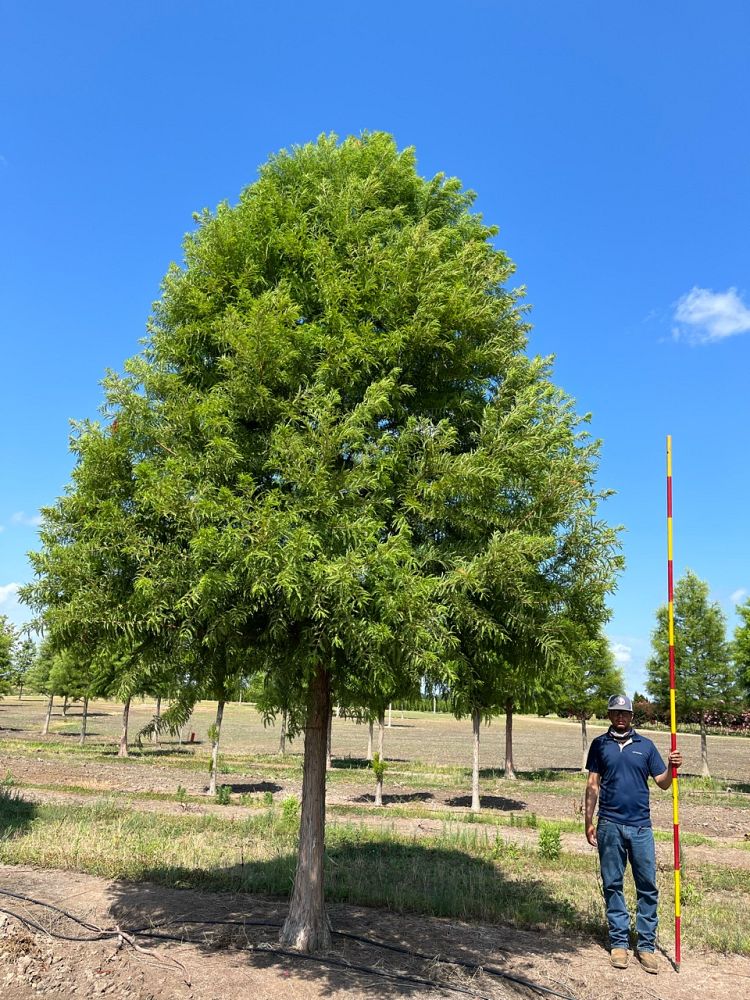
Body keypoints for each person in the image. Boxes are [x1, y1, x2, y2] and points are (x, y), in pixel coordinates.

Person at [584, 694, 682, 975]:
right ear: (609, 715)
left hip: (641, 828)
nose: (620, 718)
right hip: (610, 825)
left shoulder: (646, 746)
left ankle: (646, 946)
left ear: (631, 717)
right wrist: (588, 820)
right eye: (615, 713)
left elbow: (662, 784)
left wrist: (673, 768)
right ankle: (618, 943)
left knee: (647, 886)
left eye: (624, 713)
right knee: (613, 883)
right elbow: (593, 784)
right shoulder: (599, 745)